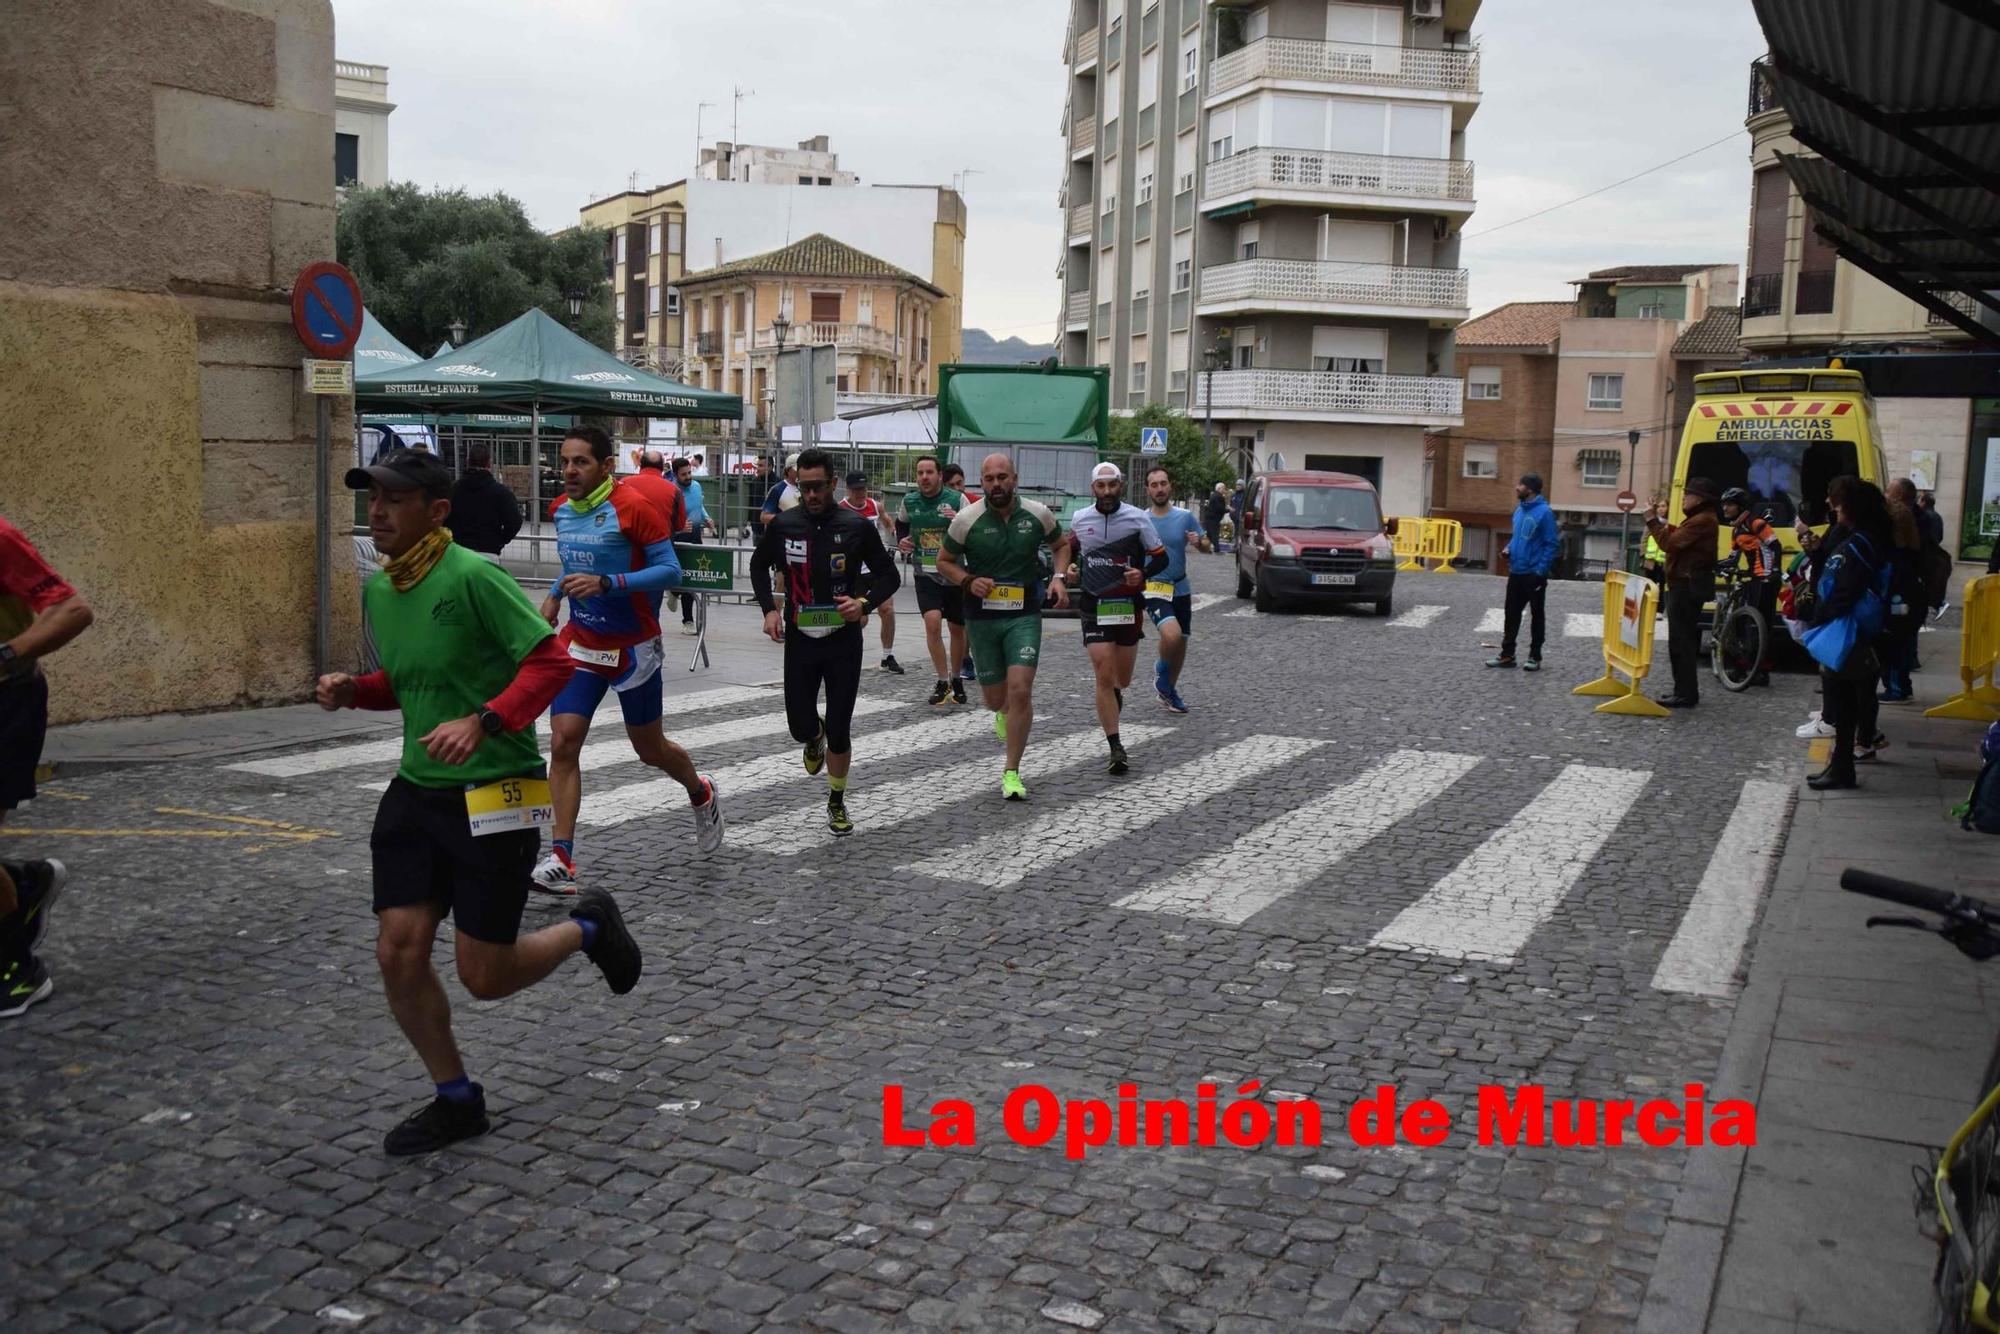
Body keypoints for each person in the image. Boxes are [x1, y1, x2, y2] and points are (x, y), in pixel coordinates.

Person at [322, 451, 643, 1155]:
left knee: (484, 976)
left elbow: (551, 663)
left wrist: (485, 721)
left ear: (436, 512)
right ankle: (456, 1099)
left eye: (394, 500)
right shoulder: (381, 590)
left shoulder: (475, 576)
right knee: (397, 952)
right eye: (371, 496)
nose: (376, 510)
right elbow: (407, 685)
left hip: (497, 788)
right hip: (417, 790)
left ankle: (589, 927)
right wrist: (358, 689)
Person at [532, 427, 723, 892]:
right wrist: (557, 594)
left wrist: (609, 583)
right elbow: (575, 562)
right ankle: (561, 858)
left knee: (649, 750)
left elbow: (670, 570)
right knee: (563, 742)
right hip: (582, 643)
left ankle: (701, 792)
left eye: (581, 462)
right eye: (565, 462)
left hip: (633, 646)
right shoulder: (560, 511)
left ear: (605, 464)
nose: (570, 471)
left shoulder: (634, 508)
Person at [751, 448, 901, 836]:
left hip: (842, 641)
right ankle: (812, 737)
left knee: (840, 727)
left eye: (818, 487)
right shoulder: (785, 524)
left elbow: (889, 576)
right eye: (805, 488)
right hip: (800, 638)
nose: (812, 495)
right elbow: (756, 564)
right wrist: (769, 609)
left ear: (833, 483)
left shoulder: (856, 526)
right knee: (801, 726)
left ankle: (836, 801)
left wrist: (863, 602)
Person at [0, 517, 93, 1019]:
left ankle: (17, 969)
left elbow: (71, 609)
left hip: (6, 699)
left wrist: (7, 653)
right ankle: (23, 883)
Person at [937, 452, 1067, 800]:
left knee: (1021, 688)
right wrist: (967, 580)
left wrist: (1058, 578)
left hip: (1023, 613)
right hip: (981, 617)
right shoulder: (967, 519)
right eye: (990, 479)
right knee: (996, 699)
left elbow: (1061, 545)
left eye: (1002, 477)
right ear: (982, 483)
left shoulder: (1038, 513)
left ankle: (1011, 770)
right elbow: (944, 561)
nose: (997, 484)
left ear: (1015, 478)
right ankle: (1002, 712)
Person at [1066, 462, 1168, 775]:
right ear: (1092, 488)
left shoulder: (1138, 518)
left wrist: (1144, 573)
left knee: (1120, 679)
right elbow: (1069, 552)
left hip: (1127, 606)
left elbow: (1162, 558)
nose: (1107, 492)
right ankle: (1116, 746)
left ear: (1120, 485)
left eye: (1112, 485)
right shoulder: (1080, 519)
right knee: (1103, 673)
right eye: (1101, 486)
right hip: (1094, 605)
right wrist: (1069, 570)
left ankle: (1115, 698)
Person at [1803, 478, 1894, 790]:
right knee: (1846, 701)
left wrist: (1822, 617)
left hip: (1848, 628)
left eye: (1839, 502)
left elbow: (1847, 588)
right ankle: (1839, 766)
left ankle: (1842, 768)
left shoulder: (1859, 542)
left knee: (1845, 702)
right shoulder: (1866, 537)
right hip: (1852, 627)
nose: (1834, 506)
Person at [899, 454, 970, 706]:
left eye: (929, 472)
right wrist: (903, 540)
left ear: (940, 476)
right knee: (932, 623)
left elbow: (971, 528)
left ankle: (957, 676)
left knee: (957, 628)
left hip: (953, 573)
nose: (924, 477)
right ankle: (942, 680)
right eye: (920, 473)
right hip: (925, 573)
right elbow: (902, 525)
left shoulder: (956, 499)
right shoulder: (910, 501)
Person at [1644, 478, 1722, 708]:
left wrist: (1650, 519)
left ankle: (1686, 693)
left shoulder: (1702, 521)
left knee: (1683, 642)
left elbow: (1669, 543)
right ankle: (1682, 690)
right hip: (1684, 584)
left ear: (1700, 499)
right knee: (1679, 641)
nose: (1684, 498)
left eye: (1688, 494)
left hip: (1687, 586)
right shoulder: (1699, 519)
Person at [1142, 465, 1210, 714]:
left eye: (1163, 483)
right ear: (1147, 489)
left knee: (1180, 641)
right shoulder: (1141, 519)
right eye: (1154, 484)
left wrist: (1199, 542)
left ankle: (1169, 690)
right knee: (1171, 634)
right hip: (1154, 587)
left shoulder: (1184, 516)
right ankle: (1162, 672)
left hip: (1180, 586)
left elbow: (1207, 546)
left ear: (1170, 486)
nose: (1159, 489)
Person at [1486, 473, 1560, 671]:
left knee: (1537, 615)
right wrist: (1508, 549)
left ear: (1530, 489)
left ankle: (1535, 656)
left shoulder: (1544, 512)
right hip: (1516, 571)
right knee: (1511, 614)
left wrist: (1540, 571)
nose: (1516, 487)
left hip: (1533, 573)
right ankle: (1507, 655)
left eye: (1520, 485)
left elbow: (1551, 544)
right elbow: (1517, 537)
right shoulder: (1519, 510)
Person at [840, 471, 903, 674]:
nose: (861, 493)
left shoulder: (875, 505)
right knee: (860, 618)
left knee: (887, 609)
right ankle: (846, 652)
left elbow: (887, 522)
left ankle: (887, 656)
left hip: (874, 569)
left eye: (863, 489)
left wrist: (895, 534)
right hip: (854, 571)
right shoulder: (841, 509)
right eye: (857, 490)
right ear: (848, 490)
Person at [1719, 486, 1780, 687]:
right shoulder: (1736, 529)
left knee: (1758, 625)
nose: (1725, 508)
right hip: (1754, 577)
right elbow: (1733, 557)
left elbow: (1775, 546)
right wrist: (1715, 565)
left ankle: (1758, 670)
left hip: (1766, 578)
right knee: (1745, 623)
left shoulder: (1756, 522)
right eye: (1724, 504)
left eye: (1729, 504)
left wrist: (1774, 571)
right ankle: (1748, 666)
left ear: (1740, 506)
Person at [1879, 479, 1929, 704]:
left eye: (1888, 491)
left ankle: (1897, 688)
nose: (1885, 494)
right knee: (1902, 638)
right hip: (1909, 591)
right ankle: (1900, 685)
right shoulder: (1919, 518)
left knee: (1896, 636)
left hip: (1901, 593)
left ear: (1899, 496)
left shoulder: (1902, 520)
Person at [446, 443, 524, 559]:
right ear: (489, 463)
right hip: (488, 552)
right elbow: (514, 522)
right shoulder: (502, 493)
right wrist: (500, 540)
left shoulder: (452, 490)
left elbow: (442, 519)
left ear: (467, 462)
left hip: (457, 552)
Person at [940, 462, 977, 680]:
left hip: (971, 566)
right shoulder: (941, 504)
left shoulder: (974, 501)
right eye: (952, 485)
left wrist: (958, 517)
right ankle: (963, 659)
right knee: (957, 621)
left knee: (969, 617)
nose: (958, 488)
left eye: (960, 483)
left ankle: (967, 657)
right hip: (950, 568)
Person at [673, 456, 712, 635]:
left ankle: (676, 595)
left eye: (689, 472)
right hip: (678, 540)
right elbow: (664, 517)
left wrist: (707, 518)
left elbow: (699, 506)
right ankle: (686, 617)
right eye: (683, 475)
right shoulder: (672, 491)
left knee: (692, 578)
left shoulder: (696, 486)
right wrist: (678, 526)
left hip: (696, 538)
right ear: (675, 475)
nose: (688, 477)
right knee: (685, 578)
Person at [760, 454, 800, 528]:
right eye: (796, 470)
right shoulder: (778, 489)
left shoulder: (806, 488)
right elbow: (764, 517)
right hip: (784, 536)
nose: (799, 473)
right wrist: (788, 519)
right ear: (788, 470)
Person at [1202, 482, 1229, 553]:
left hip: (1210, 517)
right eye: (1223, 488)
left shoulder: (1213, 495)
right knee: (1214, 534)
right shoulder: (1219, 496)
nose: (1224, 490)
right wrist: (1228, 510)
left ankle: (1206, 549)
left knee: (1210, 534)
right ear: (1219, 488)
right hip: (1214, 518)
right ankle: (1216, 549)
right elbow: (1219, 508)